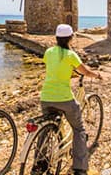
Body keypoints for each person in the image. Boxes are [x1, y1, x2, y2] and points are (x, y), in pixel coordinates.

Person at [39, 24, 101, 175]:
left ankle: (39, 162)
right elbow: (84, 71)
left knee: (44, 129)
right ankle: (80, 167)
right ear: (70, 38)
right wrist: (96, 75)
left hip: (46, 97)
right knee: (78, 129)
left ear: (56, 38)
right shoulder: (71, 55)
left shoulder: (48, 52)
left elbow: (51, 66)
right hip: (64, 98)